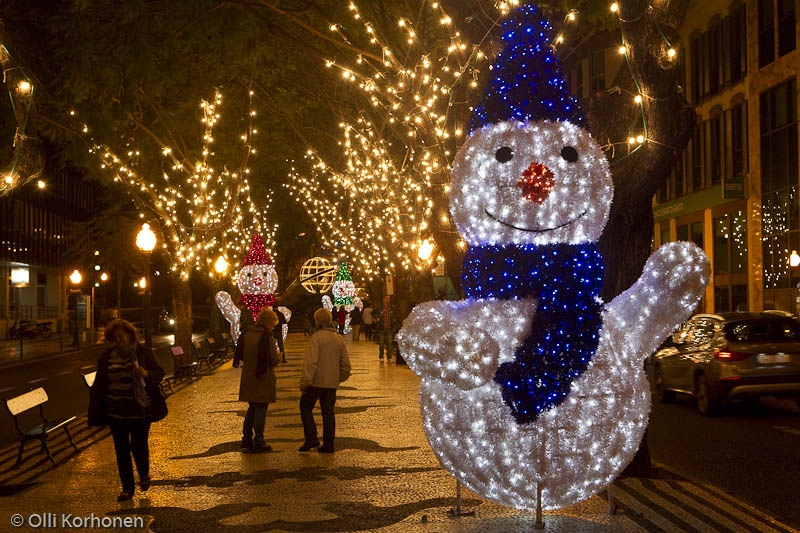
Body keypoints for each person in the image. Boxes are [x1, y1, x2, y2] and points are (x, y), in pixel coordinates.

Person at [87, 319, 165, 502]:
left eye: (121, 336)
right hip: (115, 411)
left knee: (138, 446)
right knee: (121, 450)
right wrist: (95, 410)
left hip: (140, 410)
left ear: (130, 335)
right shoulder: (107, 358)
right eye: (114, 337)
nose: (118, 340)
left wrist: (147, 374)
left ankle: (144, 474)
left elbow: (159, 373)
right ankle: (127, 488)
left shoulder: (143, 354)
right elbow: (99, 385)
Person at [299, 308, 351, 453]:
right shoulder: (338, 338)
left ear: (317, 321)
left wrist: (305, 382)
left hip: (315, 382)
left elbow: (311, 362)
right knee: (328, 413)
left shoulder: (317, 337)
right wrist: (338, 378)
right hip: (330, 383)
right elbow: (345, 364)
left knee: (305, 407)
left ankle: (311, 437)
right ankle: (329, 444)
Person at [233, 307, 282, 453]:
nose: (273, 327)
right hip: (263, 376)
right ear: (269, 322)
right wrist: (279, 357)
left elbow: (240, 354)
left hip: (248, 376)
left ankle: (246, 438)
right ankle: (259, 440)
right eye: (273, 324)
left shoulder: (246, 334)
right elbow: (273, 360)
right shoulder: (267, 337)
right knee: (261, 409)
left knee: (252, 408)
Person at [375, 295, 396, 360]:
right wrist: (377, 318)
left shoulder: (392, 307)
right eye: (386, 298)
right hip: (382, 327)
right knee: (381, 343)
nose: (388, 300)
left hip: (389, 327)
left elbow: (395, 314)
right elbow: (373, 313)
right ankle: (381, 356)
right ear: (383, 299)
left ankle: (389, 356)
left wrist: (394, 320)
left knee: (389, 343)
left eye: (389, 299)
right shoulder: (380, 307)